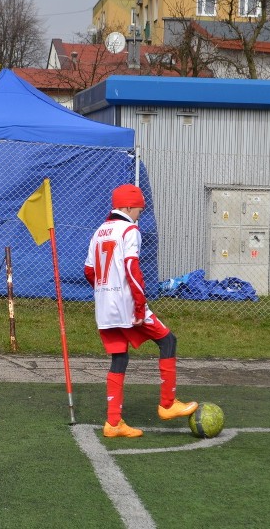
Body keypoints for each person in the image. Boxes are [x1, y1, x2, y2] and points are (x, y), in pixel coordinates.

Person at [84, 184, 197, 438]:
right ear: (126, 207)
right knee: (168, 340)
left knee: (119, 358)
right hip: (127, 304)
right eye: (138, 210)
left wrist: (105, 291)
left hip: (104, 308)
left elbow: (89, 272)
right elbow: (132, 269)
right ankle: (167, 404)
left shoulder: (99, 232)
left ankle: (113, 423)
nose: (139, 215)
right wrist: (138, 303)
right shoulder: (129, 230)